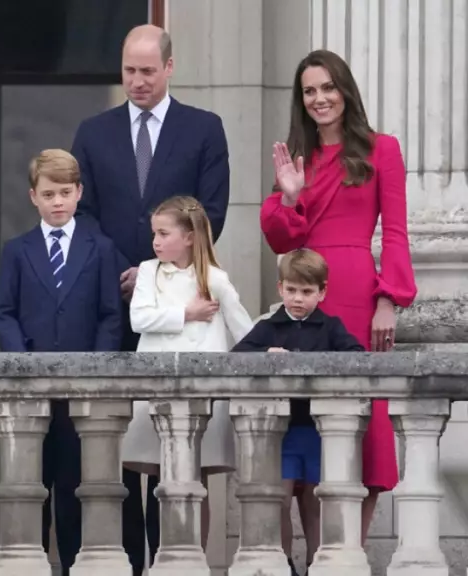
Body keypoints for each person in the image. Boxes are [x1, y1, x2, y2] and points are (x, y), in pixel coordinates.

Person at [70, 24, 230, 572]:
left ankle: (172, 559)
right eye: (128, 71)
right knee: (119, 446)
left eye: (147, 71)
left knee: (174, 446)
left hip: (182, 311)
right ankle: (126, 562)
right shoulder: (94, 132)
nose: (136, 81)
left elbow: (211, 212)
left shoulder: (203, 128)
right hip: (113, 304)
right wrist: (127, 270)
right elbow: (82, 214)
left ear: (169, 68)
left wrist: (158, 270)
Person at [262, 49, 417, 544]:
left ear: (345, 91)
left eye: (328, 87)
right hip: (306, 293)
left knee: (363, 424)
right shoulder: (297, 158)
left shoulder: (381, 149)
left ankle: (348, 552)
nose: (320, 98)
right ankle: (316, 554)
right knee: (307, 421)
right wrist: (290, 195)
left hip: (355, 291)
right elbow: (280, 240)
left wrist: (388, 299)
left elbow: (396, 233)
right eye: (310, 91)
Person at [0, 149, 122, 573]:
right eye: (48, 194)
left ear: (79, 192)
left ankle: (72, 566)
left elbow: (110, 315)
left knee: (74, 488)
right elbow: (3, 312)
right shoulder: (17, 250)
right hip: (31, 392)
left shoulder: (101, 249)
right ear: (33, 196)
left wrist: (95, 371)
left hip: (81, 393)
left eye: (65, 192)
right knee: (29, 488)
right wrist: (23, 365)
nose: (58, 202)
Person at [123, 196, 251, 561]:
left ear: (190, 236)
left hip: (202, 393)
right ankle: (162, 557)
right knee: (159, 477)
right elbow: (139, 319)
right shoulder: (148, 272)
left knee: (196, 480)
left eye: (164, 234)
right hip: (155, 386)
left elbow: (243, 330)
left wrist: (271, 348)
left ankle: (195, 560)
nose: (156, 241)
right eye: (154, 234)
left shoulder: (215, 279)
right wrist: (186, 313)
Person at [232, 248, 365, 576]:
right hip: (283, 430)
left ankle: (316, 564)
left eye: (306, 291)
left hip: (319, 429)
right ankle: (284, 564)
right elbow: (237, 355)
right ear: (280, 288)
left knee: (316, 500)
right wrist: (266, 353)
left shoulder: (330, 327)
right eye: (291, 290)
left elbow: (356, 355)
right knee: (278, 497)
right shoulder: (269, 326)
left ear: (322, 292)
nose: (297, 298)